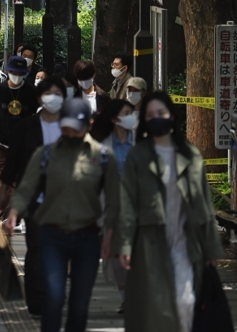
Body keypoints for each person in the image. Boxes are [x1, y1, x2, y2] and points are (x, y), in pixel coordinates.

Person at [4, 98, 120, 332]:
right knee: (54, 298)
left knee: (79, 304)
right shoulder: (46, 154)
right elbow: (26, 188)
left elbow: (115, 202)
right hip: (52, 236)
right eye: (65, 127)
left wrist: (110, 236)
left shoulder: (105, 156)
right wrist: (14, 212)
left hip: (88, 237)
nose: (70, 133)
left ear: (89, 123)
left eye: (75, 128)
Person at [118, 92, 224, 332]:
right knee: (157, 309)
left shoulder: (190, 155)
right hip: (150, 242)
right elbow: (127, 203)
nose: (157, 118)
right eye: (150, 115)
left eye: (161, 113)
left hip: (187, 241)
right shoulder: (138, 156)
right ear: (144, 121)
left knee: (186, 301)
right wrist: (124, 245)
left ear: (171, 116)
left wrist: (211, 247)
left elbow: (204, 204)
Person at [2, 78, 67, 316]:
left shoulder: (71, 127)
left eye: (58, 93)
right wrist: (10, 201)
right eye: (48, 93)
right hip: (36, 199)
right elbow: (13, 164)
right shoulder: (26, 127)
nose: (53, 97)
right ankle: (37, 300)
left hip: (67, 200)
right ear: (39, 98)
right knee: (38, 248)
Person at [93, 98, 138, 313]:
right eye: (127, 112)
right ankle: (126, 298)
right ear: (114, 119)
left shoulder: (141, 141)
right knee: (116, 256)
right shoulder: (102, 145)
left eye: (133, 112)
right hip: (112, 206)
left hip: (139, 205)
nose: (132, 116)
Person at [0, 55, 39, 218]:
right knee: (2, 179)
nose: (17, 75)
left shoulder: (31, 91)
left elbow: (37, 114)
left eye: (20, 72)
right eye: (14, 72)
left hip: (24, 145)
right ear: (8, 71)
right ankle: (4, 211)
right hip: (2, 143)